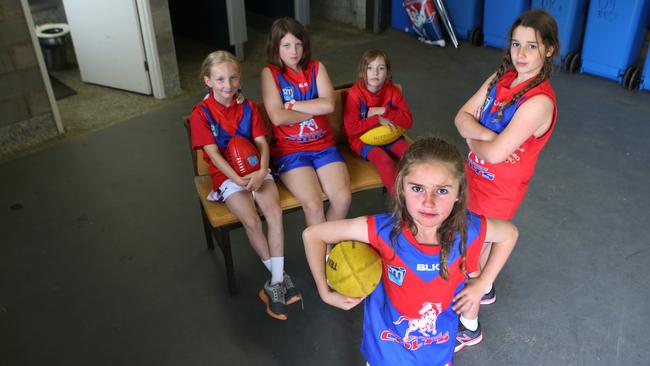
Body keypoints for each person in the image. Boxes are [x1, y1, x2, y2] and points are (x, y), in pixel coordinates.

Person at [303, 137, 518, 365]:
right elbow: (313, 235)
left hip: (436, 351)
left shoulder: (468, 230)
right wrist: (325, 292)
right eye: (417, 188)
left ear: (458, 193)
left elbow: (509, 234)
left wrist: (483, 284)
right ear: (402, 189)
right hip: (386, 352)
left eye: (442, 190)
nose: (428, 202)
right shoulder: (382, 231)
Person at [454, 9, 559, 312]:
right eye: (516, 44)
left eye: (531, 46)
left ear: (549, 49)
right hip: (472, 174)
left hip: (499, 192)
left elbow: (497, 153)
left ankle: (469, 323)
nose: (521, 53)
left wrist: (473, 140)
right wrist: (488, 140)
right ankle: (483, 287)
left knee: (473, 252)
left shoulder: (539, 102)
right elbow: (460, 117)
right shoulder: (502, 77)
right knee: (470, 243)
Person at [189, 50, 301, 321]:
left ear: (239, 78)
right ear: (208, 81)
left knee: (273, 213)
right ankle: (278, 278)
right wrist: (237, 180)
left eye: (232, 78)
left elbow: (262, 142)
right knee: (251, 220)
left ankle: (275, 281)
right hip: (227, 175)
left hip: (256, 169)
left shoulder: (248, 106)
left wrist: (262, 170)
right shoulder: (201, 114)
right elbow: (214, 155)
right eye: (219, 80)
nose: (227, 85)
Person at [261, 17, 351, 228]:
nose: (293, 51)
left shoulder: (316, 68)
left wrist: (292, 105)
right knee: (313, 205)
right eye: (286, 46)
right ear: (276, 47)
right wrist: (312, 110)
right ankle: (320, 257)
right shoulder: (270, 73)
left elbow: (329, 105)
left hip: (324, 147)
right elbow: (277, 117)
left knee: (343, 199)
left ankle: (325, 248)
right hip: (291, 151)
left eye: (298, 44)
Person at [344, 49, 413, 197]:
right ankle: (400, 204)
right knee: (384, 161)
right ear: (363, 71)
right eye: (370, 68)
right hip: (362, 140)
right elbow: (350, 129)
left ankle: (416, 197)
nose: (375, 72)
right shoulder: (355, 95)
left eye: (381, 68)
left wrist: (382, 110)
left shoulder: (393, 91)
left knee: (412, 157)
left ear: (387, 73)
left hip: (390, 136)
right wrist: (377, 120)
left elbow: (408, 121)